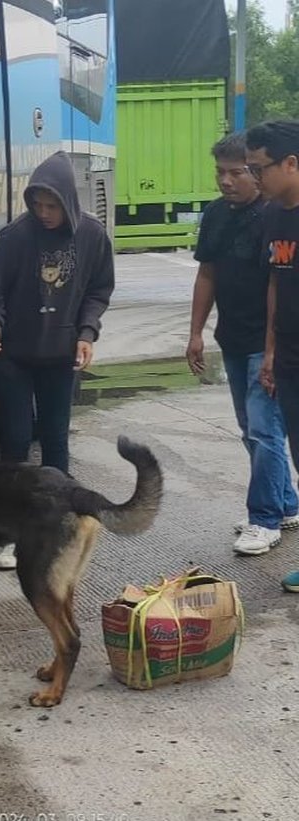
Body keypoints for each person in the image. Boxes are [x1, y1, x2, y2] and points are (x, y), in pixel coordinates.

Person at [0, 150, 114, 569]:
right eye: (38, 205)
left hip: (60, 355)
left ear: (68, 202)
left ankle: (57, 524)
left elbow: (98, 290)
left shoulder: (92, 236)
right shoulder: (16, 236)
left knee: (55, 438)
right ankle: (14, 530)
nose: (44, 213)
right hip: (13, 355)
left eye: (52, 205)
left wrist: (86, 332)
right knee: (16, 440)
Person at [186, 131, 299, 556]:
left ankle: (264, 519)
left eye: (240, 172)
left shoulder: (273, 214)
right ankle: (285, 504)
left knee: (264, 430)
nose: (228, 181)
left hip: (265, 343)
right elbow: (207, 275)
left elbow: (277, 284)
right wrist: (196, 332)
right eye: (221, 173)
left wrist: (271, 350)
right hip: (233, 338)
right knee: (250, 430)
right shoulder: (216, 215)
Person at [246, 121, 299, 589]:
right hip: (288, 361)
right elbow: (275, 284)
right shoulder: (273, 216)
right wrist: (269, 351)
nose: (253, 176)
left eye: (259, 168)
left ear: (291, 163)